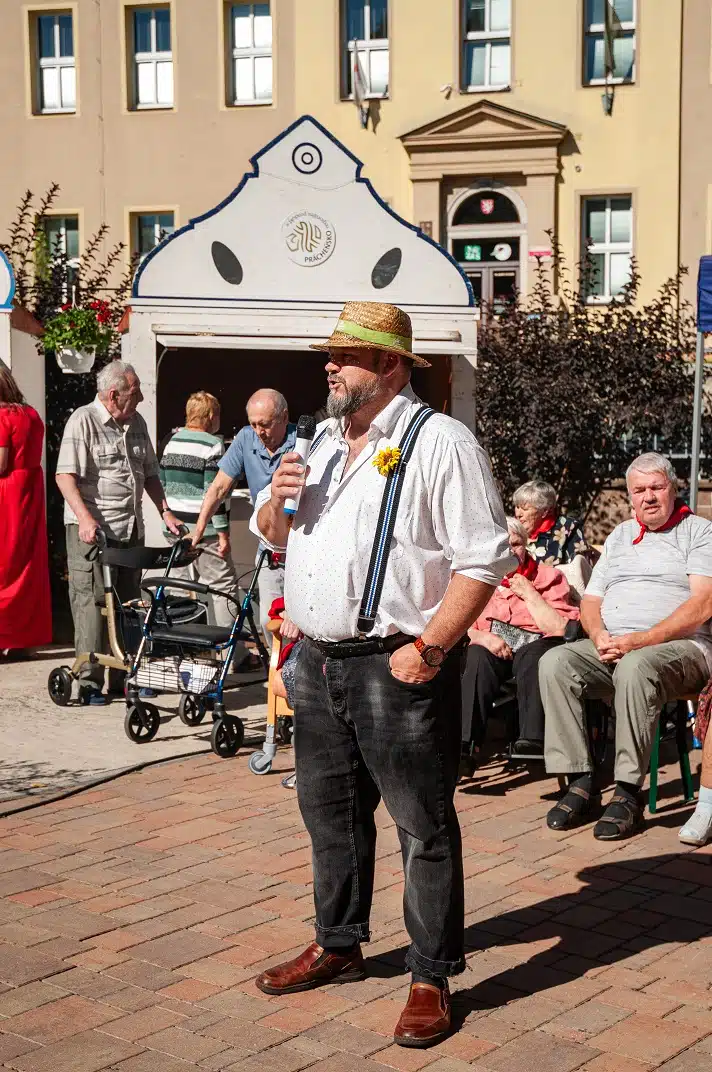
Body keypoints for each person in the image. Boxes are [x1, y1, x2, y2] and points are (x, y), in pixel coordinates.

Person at [248, 301, 514, 1049]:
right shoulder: (319, 440)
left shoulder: (441, 442)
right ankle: (338, 942)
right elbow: (274, 536)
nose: (329, 365)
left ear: (390, 365)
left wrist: (430, 647)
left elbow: (484, 556)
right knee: (328, 814)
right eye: (329, 354)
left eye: (346, 355)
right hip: (316, 660)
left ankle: (431, 975)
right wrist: (277, 501)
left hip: (397, 663)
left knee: (421, 825)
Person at [540, 452, 712, 840]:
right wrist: (598, 634)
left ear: (674, 488)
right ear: (630, 497)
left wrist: (643, 640)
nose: (648, 497)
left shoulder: (700, 532)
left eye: (657, 487)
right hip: (617, 644)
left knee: (637, 666)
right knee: (556, 662)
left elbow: (703, 603)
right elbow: (591, 600)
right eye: (639, 490)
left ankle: (628, 793)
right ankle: (581, 782)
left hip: (682, 650)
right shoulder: (620, 535)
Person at [56, 360, 181, 703]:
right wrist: (84, 519)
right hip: (93, 530)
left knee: (128, 604)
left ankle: (126, 675)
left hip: (129, 527)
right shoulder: (83, 420)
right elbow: (64, 476)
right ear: (114, 395)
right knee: (92, 603)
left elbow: (150, 474)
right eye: (135, 393)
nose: (140, 399)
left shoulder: (137, 422)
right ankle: (89, 681)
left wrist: (165, 512)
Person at [460, 517, 579, 770]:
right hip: (491, 649)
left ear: (526, 545)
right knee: (476, 656)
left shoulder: (549, 577)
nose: (509, 551)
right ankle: (466, 745)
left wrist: (529, 593)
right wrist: (482, 637)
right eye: (501, 545)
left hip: (535, 647)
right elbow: (457, 623)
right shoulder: (477, 581)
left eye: (515, 544)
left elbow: (560, 629)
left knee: (533, 655)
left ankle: (532, 739)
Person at [192, 388, 296, 646]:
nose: (259, 431)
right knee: (269, 622)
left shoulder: (305, 440)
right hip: (269, 550)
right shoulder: (246, 438)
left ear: (284, 417)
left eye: (265, 424)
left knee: (300, 626)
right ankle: (275, 671)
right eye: (253, 424)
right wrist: (199, 528)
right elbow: (219, 487)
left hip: (301, 549)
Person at [0, 366, 52, 658]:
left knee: (4, 567)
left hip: (6, 493)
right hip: (29, 492)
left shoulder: (1, 417)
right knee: (27, 566)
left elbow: (0, 463)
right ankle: (24, 640)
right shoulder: (31, 414)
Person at [513, 478, 595, 566]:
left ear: (545, 511)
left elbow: (580, 567)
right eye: (517, 507)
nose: (518, 514)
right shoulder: (512, 529)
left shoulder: (568, 527)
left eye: (525, 509)